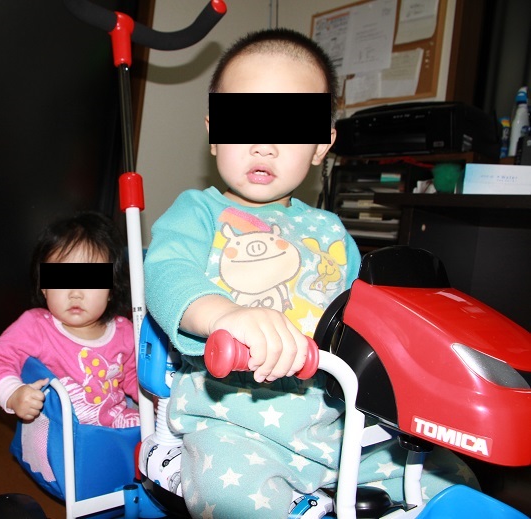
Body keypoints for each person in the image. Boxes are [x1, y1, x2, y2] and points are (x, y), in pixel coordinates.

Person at [143, 28, 476, 517]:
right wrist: (224, 315)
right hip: (233, 423)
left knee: (446, 475)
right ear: (214, 133)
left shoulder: (332, 231)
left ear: (322, 144)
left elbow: (364, 317)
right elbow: (166, 274)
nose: (264, 143)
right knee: (230, 495)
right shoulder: (197, 212)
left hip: (335, 421)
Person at [0, 211, 139, 429]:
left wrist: (156, 398)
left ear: (111, 289)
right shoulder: (36, 326)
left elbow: (135, 377)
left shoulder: (124, 332)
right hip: (59, 434)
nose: (75, 293)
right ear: (44, 287)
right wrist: (13, 393)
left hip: (115, 428)